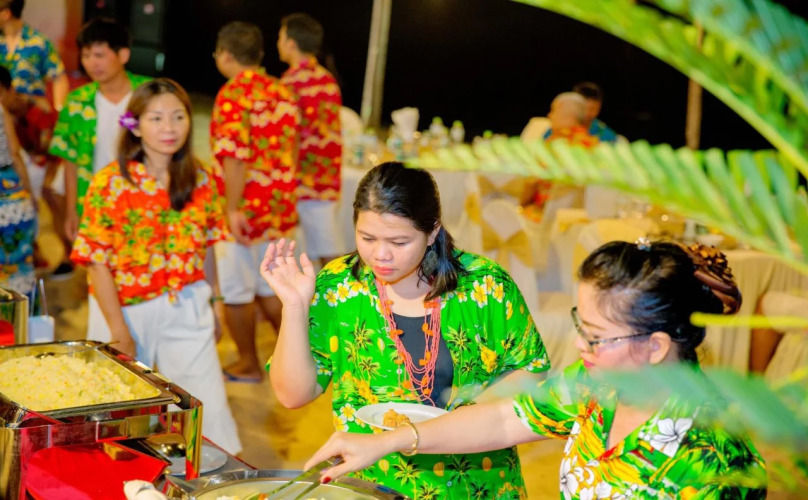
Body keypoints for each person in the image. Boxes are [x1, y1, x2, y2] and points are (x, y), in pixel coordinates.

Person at [306, 240, 768, 498]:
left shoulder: (714, 460)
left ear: (655, 347)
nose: (580, 346)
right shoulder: (597, 385)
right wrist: (386, 441)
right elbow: (506, 417)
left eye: (596, 336)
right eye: (580, 325)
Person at [261, 162, 551, 499]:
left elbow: (531, 371)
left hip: (474, 480)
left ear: (432, 232)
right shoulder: (340, 287)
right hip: (373, 481)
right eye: (367, 238)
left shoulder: (484, 286)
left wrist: (459, 424)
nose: (380, 255)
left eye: (399, 242)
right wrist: (294, 307)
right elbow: (293, 395)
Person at [70, 78, 241, 454]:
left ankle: (211, 477)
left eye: (178, 116)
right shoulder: (110, 183)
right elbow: (95, 261)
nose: (169, 128)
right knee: (117, 414)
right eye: (157, 118)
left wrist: (216, 305)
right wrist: (118, 329)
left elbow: (207, 247)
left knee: (207, 411)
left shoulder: (202, 178)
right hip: (123, 309)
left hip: (188, 302)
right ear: (135, 125)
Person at [211, 21, 299, 382]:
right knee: (270, 287)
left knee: (237, 291)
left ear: (225, 54)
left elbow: (234, 158)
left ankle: (249, 364)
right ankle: (295, 361)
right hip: (279, 206)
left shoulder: (233, 94)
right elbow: (292, 147)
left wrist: (231, 208)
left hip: (245, 207)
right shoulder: (282, 90)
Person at [48, 18, 150, 249]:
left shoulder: (148, 96)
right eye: (86, 56)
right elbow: (71, 161)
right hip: (94, 202)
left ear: (123, 55)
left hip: (142, 201)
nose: (92, 63)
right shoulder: (77, 101)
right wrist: (71, 210)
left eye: (99, 55)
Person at [278, 13, 344, 267]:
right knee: (324, 252)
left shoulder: (290, 82)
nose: (278, 43)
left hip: (304, 182)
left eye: (280, 37)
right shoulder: (328, 80)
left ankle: (342, 293)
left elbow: (290, 138)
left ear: (291, 43)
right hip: (326, 180)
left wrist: (285, 181)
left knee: (328, 258)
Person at [0, 64, 62, 270]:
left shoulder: (36, 110)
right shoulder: (4, 112)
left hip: (43, 165)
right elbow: (15, 153)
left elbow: (51, 148)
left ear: (9, 89)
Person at [0, 73, 35, 296]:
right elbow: (14, 153)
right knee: (16, 264)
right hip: (8, 192)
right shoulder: (1, 111)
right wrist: (29, 193)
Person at [0, 0, 69, 112]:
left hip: (31, 111)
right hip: (2, 111)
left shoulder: (39, 42)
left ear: (5, 14)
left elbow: (58, 77)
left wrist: (59, 109)